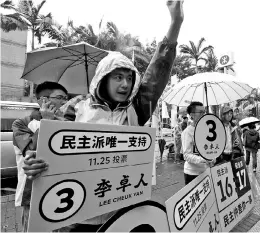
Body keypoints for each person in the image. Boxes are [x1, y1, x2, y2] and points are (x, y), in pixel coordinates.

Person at [22, 1, 184, 231]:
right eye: (117, 77)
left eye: (129, 78)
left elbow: (157, 74)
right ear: (103, 78)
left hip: (121, 217)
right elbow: (49, 149)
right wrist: (33, 162)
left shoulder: (135, 110)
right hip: (76, 221)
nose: (125, 84)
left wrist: (175, 23)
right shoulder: (75, 108)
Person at [12, 81, 68, 232]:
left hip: (61, 193)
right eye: (60, 98)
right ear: (43, 100)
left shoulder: (66, 124)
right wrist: (47, 122)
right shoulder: (22, 123)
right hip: (31, 195)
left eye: (66, 98)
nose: (65, 102)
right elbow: (33, 151)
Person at [182, 101, 213, 185]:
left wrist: (213, 157)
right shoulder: (187, 132)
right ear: (192, 115)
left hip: (206, 171)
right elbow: (186, 155)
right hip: (192, 173)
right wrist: (203, 160)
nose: (203, 114)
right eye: (200, 112)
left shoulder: (207, 130)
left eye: (204, 112)